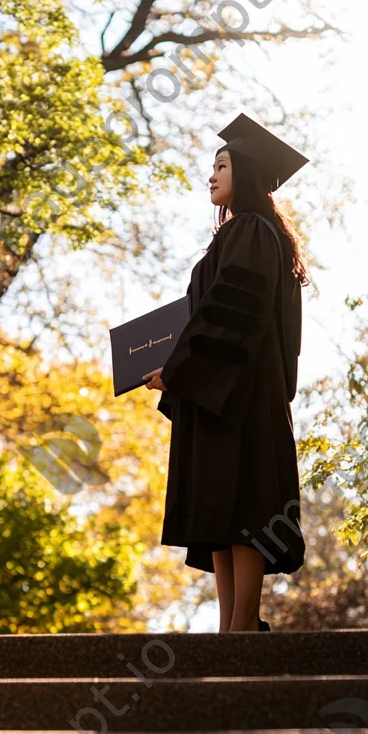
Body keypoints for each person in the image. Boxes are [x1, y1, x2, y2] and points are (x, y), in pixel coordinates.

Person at [142, 113, 310, 633]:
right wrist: (174, 368)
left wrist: (180, 368)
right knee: (220, 510)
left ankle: (242, 627)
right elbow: (209, 312)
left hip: (239, 393)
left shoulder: (253, 232)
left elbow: (230, 313)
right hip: (216, 389)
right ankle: (229, 626)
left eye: (221, 165)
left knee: (244, 504)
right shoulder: (236, 235)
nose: (211, 176)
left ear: (249, 172)